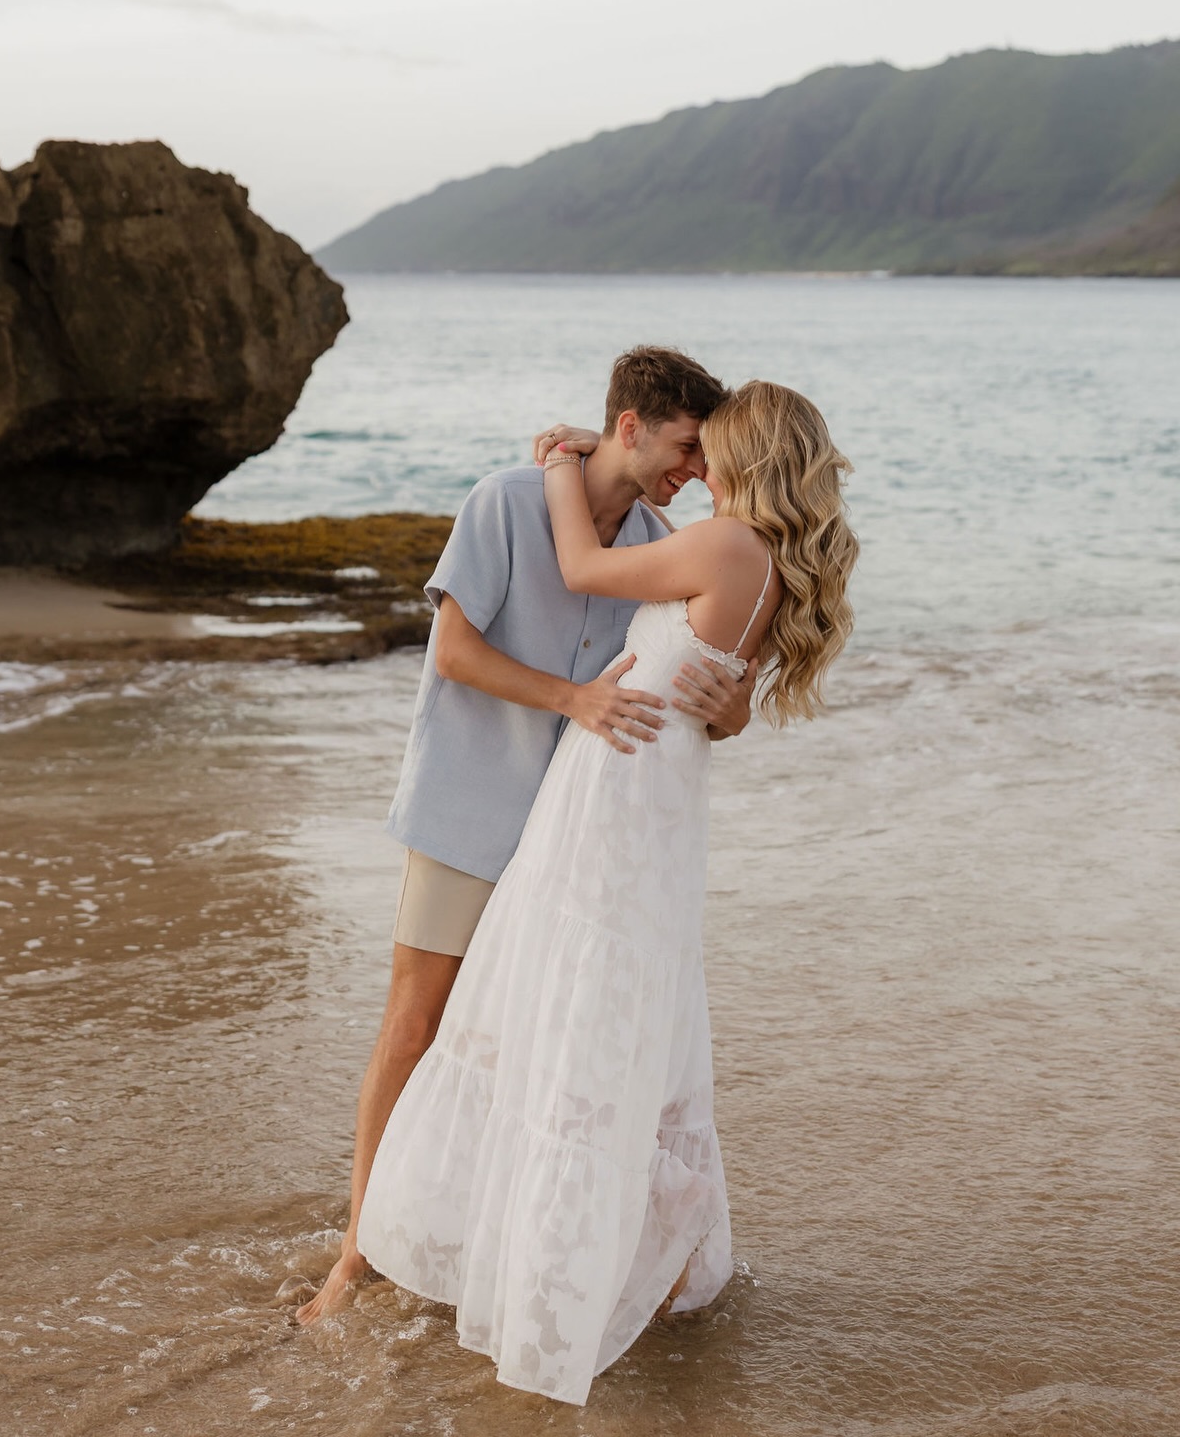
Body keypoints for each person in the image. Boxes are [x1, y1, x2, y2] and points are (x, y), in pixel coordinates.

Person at [355, 381, 858, 1404]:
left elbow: (584, 569)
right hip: (630, 810)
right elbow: (712, 689)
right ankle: (599, 1261)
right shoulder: (740, 554)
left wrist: (554, 459)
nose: (696, 464)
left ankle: (537, 1270)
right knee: (590, 1034)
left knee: (567, 1033)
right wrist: (730, 710)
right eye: (686, 445)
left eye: (709, 449)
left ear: (744, 455)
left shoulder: (716, 545)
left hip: (614, 812)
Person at [296, 347, 755, 1326]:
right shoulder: (506, 500)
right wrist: (572, 697)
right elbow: (455, 650)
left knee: (524, 1046)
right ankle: (356, 1250)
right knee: (417, 1025)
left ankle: (470, 1236)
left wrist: (732, 707)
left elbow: (696, 685)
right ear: (629, 424)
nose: (693, 470)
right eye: (683, 445)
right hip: (470, 807)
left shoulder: (662, 538)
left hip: (573, 843)